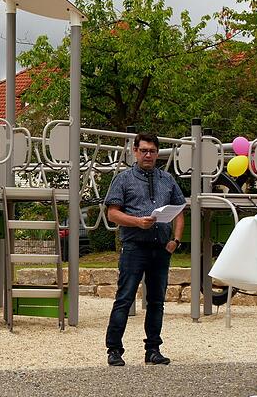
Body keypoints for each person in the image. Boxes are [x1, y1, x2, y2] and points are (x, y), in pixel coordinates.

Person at [104, 132, 185, 366]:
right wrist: (137, 222)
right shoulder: (123, 179)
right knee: (124, 298)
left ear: (158, 153)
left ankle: (153, 349)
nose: (148, 154)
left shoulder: (167, 180)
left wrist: (176, 240)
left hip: (161, 248)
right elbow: (112, 213)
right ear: (135, 151)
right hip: (134, 247)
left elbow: (180, 210)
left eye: (152, 151)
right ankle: (114, 350)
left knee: (157, 300)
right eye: (144, 150)